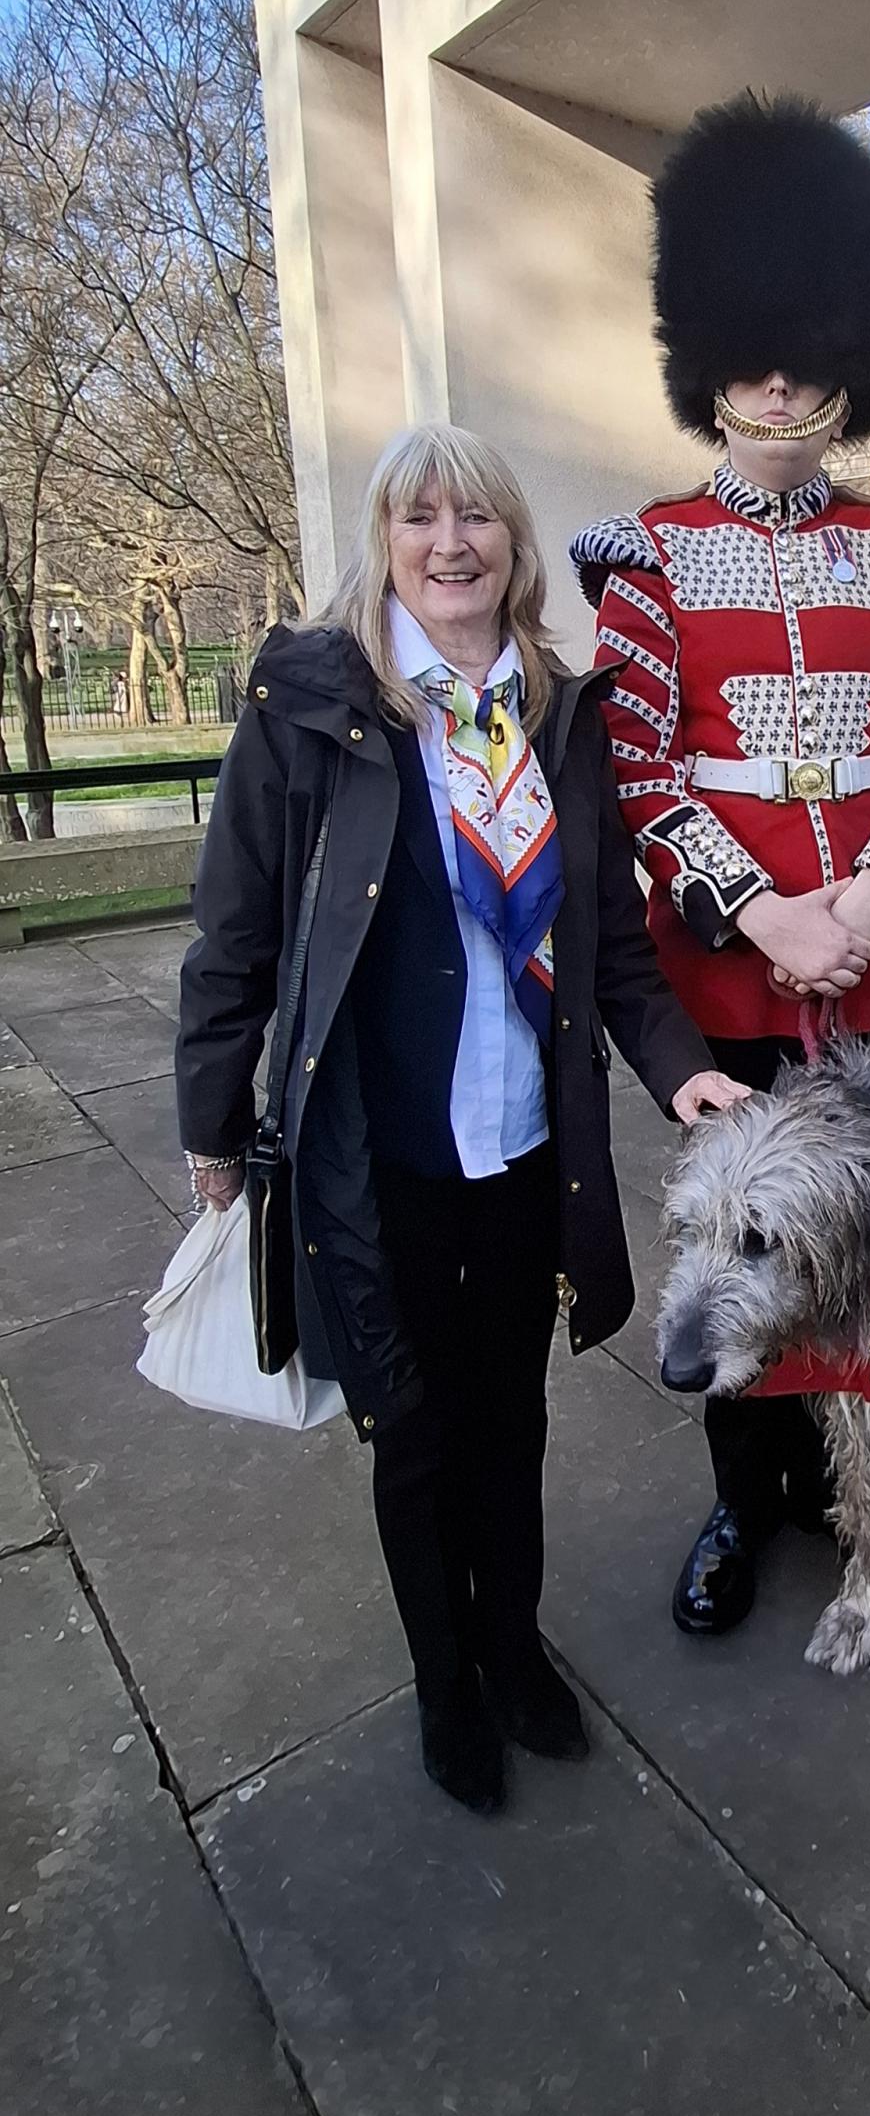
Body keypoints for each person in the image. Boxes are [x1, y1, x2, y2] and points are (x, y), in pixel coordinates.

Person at [175, 421, 745, 1817]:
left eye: (476, 518)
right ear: (385, 543)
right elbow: (233, 933)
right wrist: (212, 1118)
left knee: (512, 1424)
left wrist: (685, 1073)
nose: (450, 543)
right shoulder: (311, 706)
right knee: (414, 1432)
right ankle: (447, 1682)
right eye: (419, 518)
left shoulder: (562, 713)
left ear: (513, 544)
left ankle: (513, 1645)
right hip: (379, 1161)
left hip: (526, 1152)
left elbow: (613, 947)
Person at [572, 92, 870, 1637]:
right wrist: (763, 914)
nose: (779, 380)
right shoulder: (654, 554)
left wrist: (864, 905)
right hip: (730, 989)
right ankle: (749, 1501)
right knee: (729, 1262)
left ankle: (869, 1482)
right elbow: (640, 768)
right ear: (710, 364)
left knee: (862, 1250)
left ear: (844, 363)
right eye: (752, 354)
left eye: (806, 355)